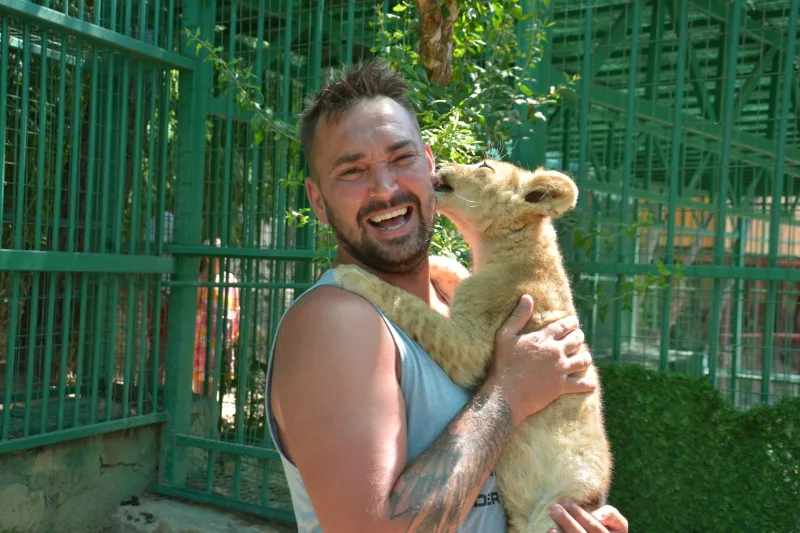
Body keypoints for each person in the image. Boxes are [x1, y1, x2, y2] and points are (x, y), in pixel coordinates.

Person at [264, 59, 628, 533]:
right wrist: (508, 394)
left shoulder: (453, 298)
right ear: (317, 200)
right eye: (353, 170)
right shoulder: (340, 321)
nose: (386, 188)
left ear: (430, 165)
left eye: (401, 158)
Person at [193, 238, 241, 395]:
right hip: (202, 343)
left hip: (222, 342)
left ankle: (213, 418)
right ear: (207, 257)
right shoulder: (200, 280)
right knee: (200, 390)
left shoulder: (230, 280)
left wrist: (233, 338)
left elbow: (236, 310)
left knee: (216, 390)